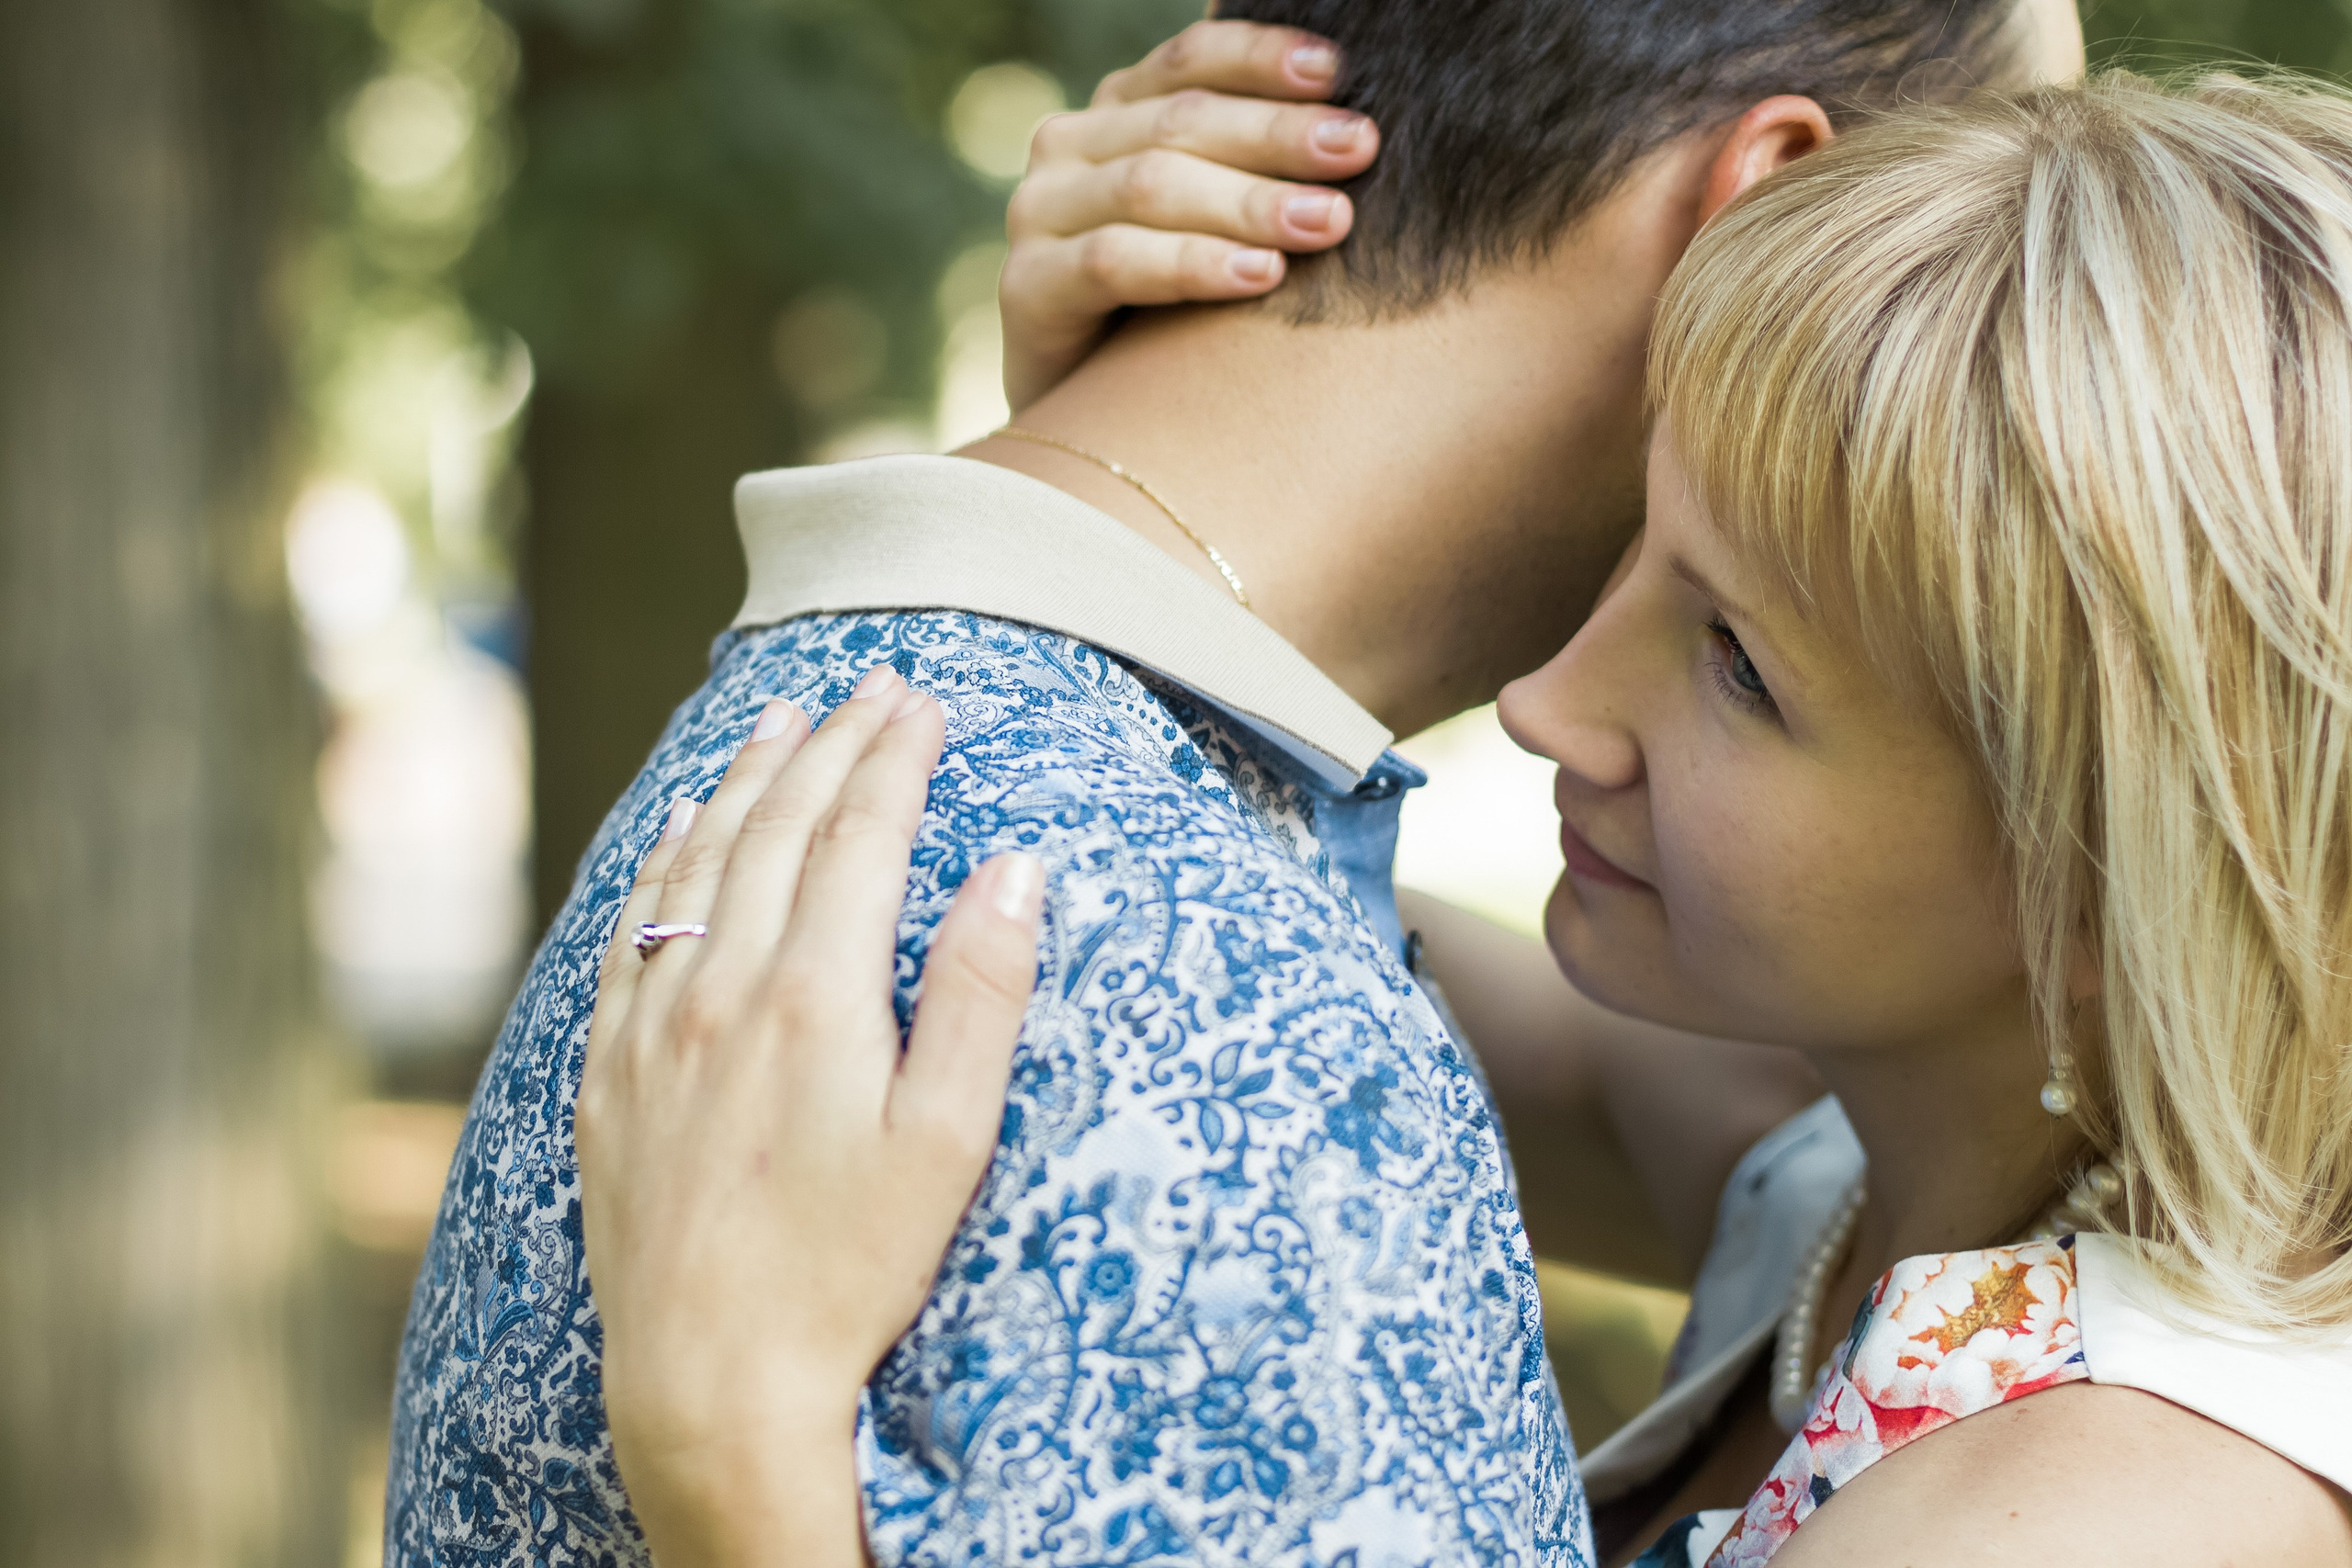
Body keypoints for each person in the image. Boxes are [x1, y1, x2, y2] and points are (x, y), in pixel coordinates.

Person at [574, 67, 2352, 1568]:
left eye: (1737, 666)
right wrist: (1142, 448)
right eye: (1637, 546)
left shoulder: (2109, 1514)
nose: (1547, 705)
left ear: (2126, 895)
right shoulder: (1859, 1170)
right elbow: (1259, 953)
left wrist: (738, 1454)